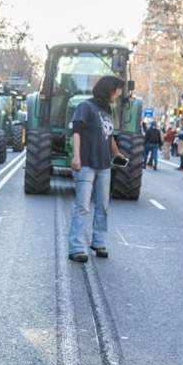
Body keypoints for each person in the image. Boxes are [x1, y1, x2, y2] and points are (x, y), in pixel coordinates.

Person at [68, 75, 129, 262]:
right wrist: (76, 157)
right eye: (116, 90)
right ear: (108, 90)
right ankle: (76, 248)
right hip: (86, 164)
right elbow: (76, 133)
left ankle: (99, 242)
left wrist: (117, 154)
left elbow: (108, 136)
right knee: (83, 207)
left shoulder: (107, 110)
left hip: (104, 166)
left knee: (103, 206)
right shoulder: (85, 107)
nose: (118, 95)